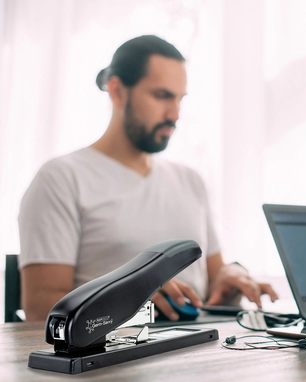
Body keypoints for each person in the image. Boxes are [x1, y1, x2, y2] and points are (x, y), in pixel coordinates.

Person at [18, 35, 277, 322]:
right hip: (114, 358)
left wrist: (231, 274)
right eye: (162, 96)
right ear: (117, 92)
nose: (175, 114)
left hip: (202, 350)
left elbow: (214, 277)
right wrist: (129, 296)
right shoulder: (61, 179)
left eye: (180, 99)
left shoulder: (190, 180)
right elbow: (40, 309)